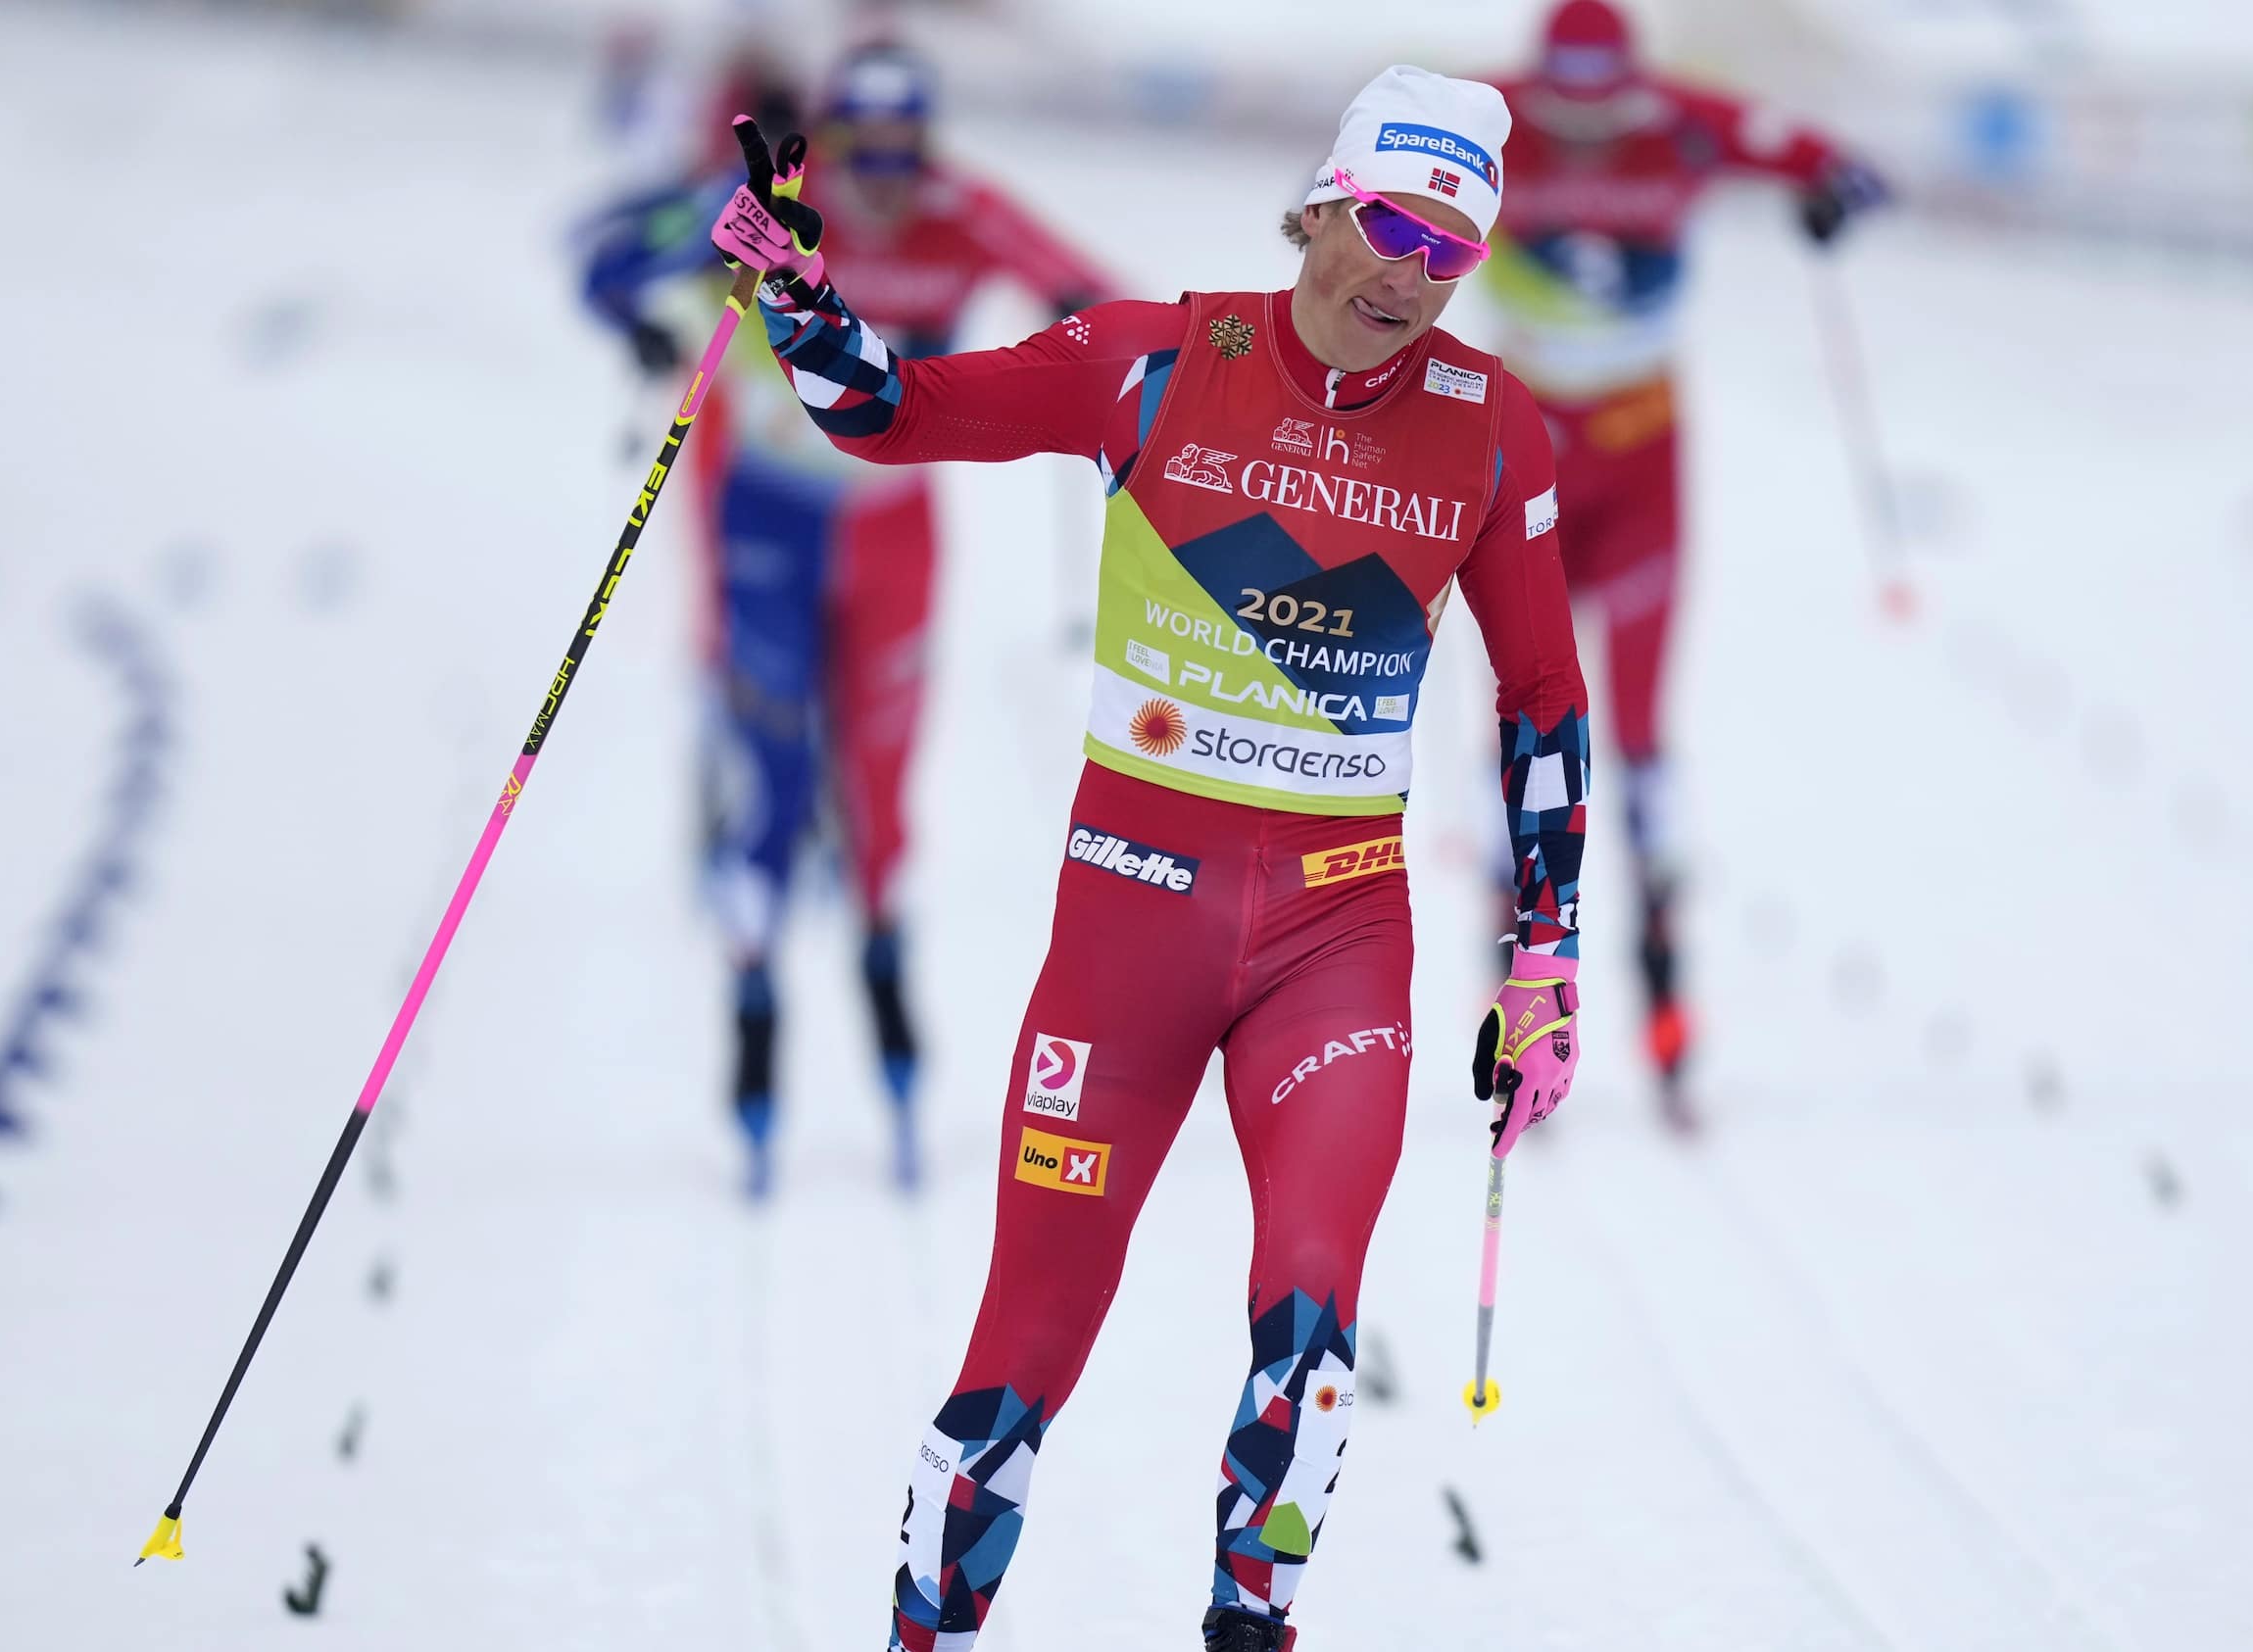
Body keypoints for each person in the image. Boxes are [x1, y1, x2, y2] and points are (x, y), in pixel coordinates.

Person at [710, 65, 1591, 1651]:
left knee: (1311, 1330)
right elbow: (889, 412)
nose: (1408, 271)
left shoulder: (1490, 430)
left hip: (1336, 943)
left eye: (1448, 249)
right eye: (1389, 220)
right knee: (1019, 1355)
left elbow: (1541, 700)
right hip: (1130, 929)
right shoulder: (1153, 361)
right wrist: (799, 293)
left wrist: (1549, 957)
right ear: (1324, 202)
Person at [578, 44, 1116, 1199]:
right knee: (773, 777)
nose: (882, 179)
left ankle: (883, 967)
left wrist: (1086, 343)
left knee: (878, 785)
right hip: (765, 518)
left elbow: (1096, 294)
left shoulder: (960, 210)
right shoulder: (771, 205)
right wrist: (647, 321)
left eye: (904, 154)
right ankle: (756, 997)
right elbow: (608, 263)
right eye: (860, 153)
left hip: (893, 527)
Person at [1485, 0, 1882, 1127]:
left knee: (1645, 731)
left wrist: (1832, 192)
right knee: (1528, 727)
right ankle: (1517, 996)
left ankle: (1665, 1009)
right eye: (1566, 112)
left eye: (1606, 114)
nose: (1586, 134)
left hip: (1644, 452)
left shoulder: (1686, 123)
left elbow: (1822, 155)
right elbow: (1360, 171)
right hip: (1522, 454)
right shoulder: (1489, 120)